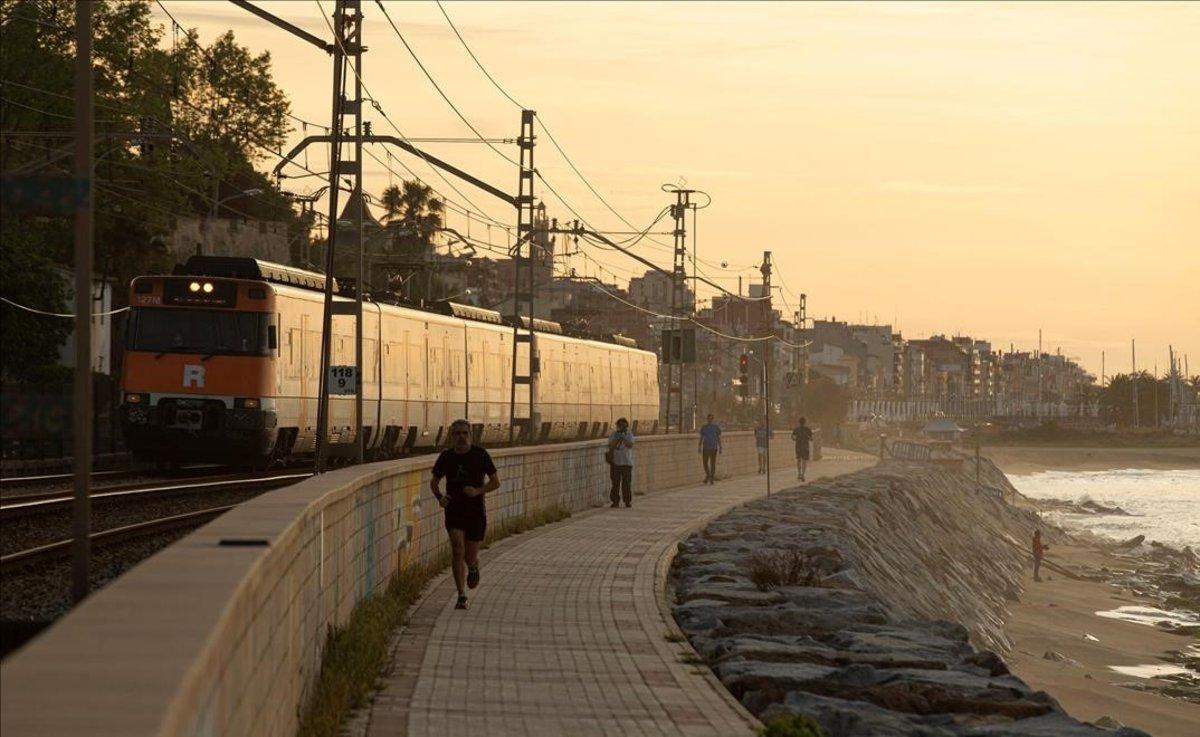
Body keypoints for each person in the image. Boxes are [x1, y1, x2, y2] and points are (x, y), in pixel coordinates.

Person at [431, 419, 500, 610]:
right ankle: (461, 595)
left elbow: (495, 482)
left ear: (470, 435)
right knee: (457, 548)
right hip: (454, 510)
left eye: (464, 433)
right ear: (452, 436)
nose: (461, 437)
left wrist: (478, 491)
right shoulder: (446, 457)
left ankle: (474, 566)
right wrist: (440, 498)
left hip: (476, 512)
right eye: (457, 433)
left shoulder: (480, 455)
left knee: (469, 556)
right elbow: (434, 482)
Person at [607, 417, 635, 507]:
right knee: (615, 484)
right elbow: (611, 446)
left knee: (626, 484)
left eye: (623, 426)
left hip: (627, 463)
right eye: (620, 425)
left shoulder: (629, 434)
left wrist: (624, 437)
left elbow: (630, 445)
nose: (621, 427)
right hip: (616, 463)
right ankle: (615, 501)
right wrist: (617, 438)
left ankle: (627, 501)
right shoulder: (614, 435)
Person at [698, 413, 722, 484]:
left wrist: (720, 446)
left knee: (712, 463)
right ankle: (708, 475)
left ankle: (711, 477)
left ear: (712, 419)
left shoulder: (715, 427)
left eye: (711, 419)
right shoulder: (704, 427)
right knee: (705, 462)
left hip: (713, 447)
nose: (710, 420)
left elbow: (718, 437)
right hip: (706, 447)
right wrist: (699, 446)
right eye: (709, 418)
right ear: (707, 419)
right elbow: (702, 437)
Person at [791, 417, 814, 481]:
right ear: (805, 422)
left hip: (798, 447)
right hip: (805, 447)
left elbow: (793, 438)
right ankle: (803, 475)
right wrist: (808, 438)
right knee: (804, 461)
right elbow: (811, 438)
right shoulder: (808, 429)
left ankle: (799, 474)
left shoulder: (796, 429)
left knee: (798, 460)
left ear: (799, 422)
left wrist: (796, 439)